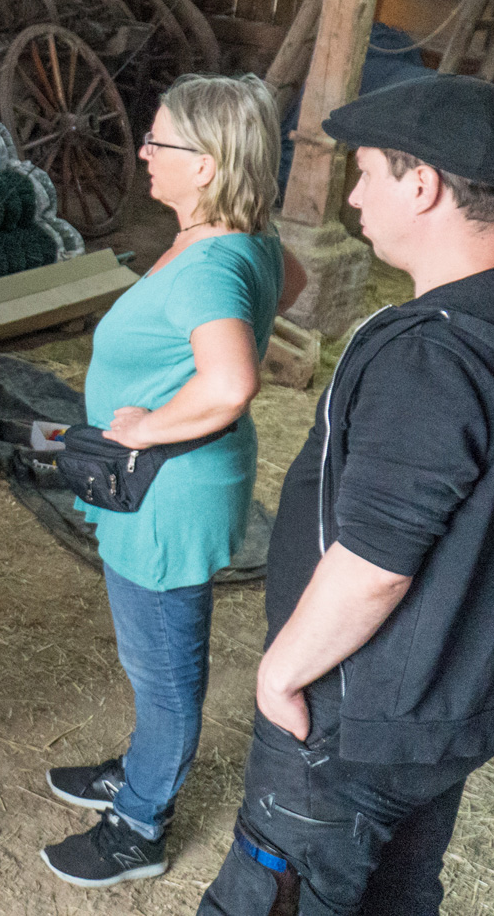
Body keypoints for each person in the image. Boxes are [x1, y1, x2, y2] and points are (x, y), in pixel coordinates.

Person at [199, 73, 494, 915]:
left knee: (275, 895)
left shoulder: (437, 355)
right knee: (396, 891)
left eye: (366, 172)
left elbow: (378, 562)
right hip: (458, 700)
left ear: (421, 182)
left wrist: (282, 671)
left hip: (356, 717)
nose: (352, 195)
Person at [42, 74, 301, 889]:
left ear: (210, 164)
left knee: (163, 666)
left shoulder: (208, 266)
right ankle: (139, 767)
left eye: (161, 142)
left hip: (166, 490)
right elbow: (288, 282)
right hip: (178, 481)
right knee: (151, 648)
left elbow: (229, 384)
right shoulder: (240, 239)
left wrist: (146, 423)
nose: (144, 151)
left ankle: (141, 823)